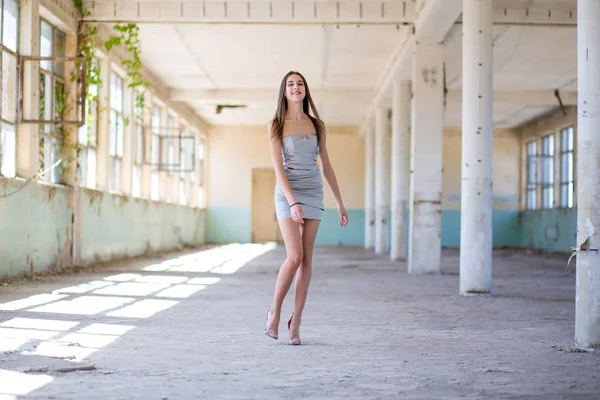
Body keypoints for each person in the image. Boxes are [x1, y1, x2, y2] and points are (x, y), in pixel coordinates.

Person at [264, 71, 348, 345]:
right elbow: (278, 168)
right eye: (290, 84)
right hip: (288, 192)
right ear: (284, 91)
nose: (296, 87)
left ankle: (296, 320)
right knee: (295, 256)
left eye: (300, 83)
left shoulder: (317, 125)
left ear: (305, 90)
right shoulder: (275, 124)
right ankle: (274, 311)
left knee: (308, 260)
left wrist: (339, 202)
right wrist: (292, 202)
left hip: (313, 192)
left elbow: (327, 165)